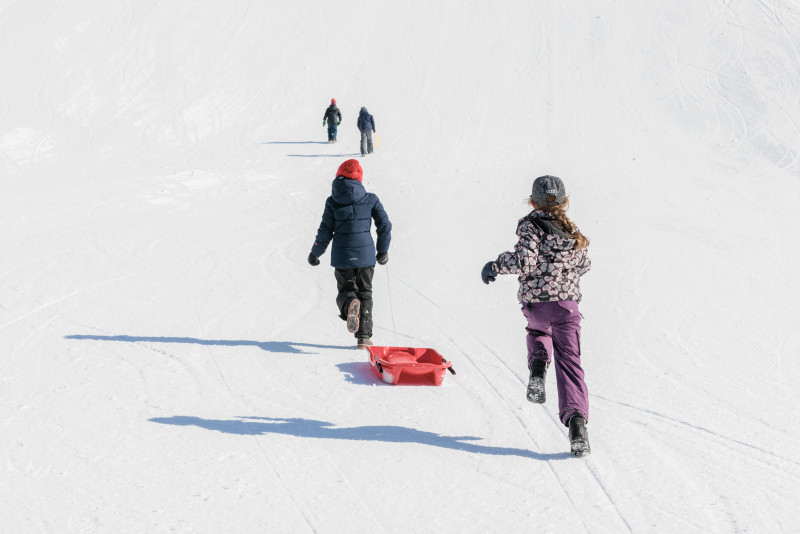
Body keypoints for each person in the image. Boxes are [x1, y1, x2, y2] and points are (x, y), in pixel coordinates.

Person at [481, 175, 592, 456]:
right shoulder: (571, 229)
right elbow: (584, 264)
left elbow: (525, 261)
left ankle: (538, 369)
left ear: (532, 201)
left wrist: (495, 265)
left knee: (538, 331)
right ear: (564, 202)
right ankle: (577, 426)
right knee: (570, 364)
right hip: (567, 307)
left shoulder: (530, 225)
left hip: (538, 305)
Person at [308, 159, 392, 348]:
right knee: (365, 293)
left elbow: (325, 231)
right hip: (366, 256)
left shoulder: (332, 201)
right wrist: (382, 251)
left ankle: (350, 303)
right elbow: (385, 225)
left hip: (342, 257)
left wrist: (315, 253)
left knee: (346, 290)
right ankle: (364, 337)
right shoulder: (371, 199)